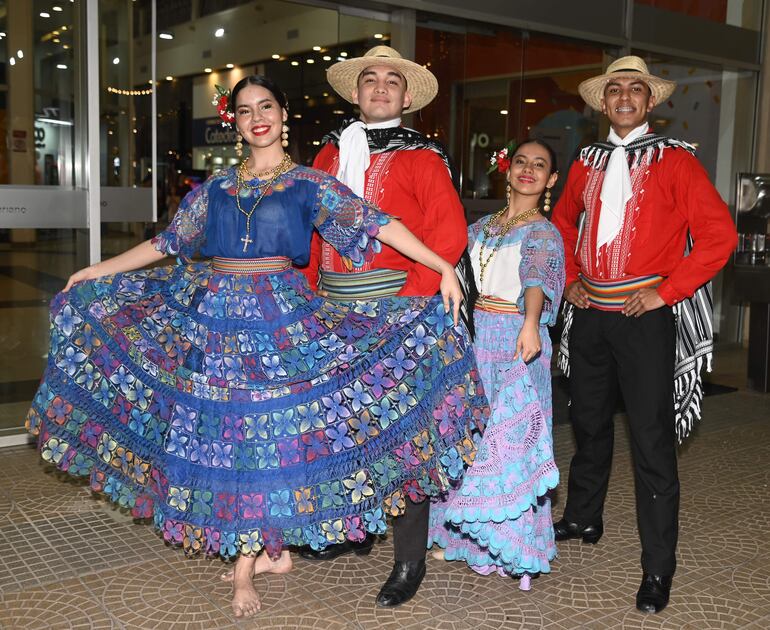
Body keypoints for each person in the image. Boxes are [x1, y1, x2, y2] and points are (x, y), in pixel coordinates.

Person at [25, 75, 489, 619]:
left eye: (266, 106)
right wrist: (98, 270)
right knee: (229, 436)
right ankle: (266, 554)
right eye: (245, 111)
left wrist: (441, 266)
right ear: (237, 123)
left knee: (267, 438)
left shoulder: (309, 183)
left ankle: (254, 560)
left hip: (278, 321)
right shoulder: (217, 189)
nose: (257, 118)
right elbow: (166, 242)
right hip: (215, 319)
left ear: (283, 115)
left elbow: (380, 224)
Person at [550, 56, 737, 614]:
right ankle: (583, 516)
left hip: (643, 317)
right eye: (615, 89)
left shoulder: (676, 162)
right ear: (603, 102)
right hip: (590, 314)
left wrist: (667, 291)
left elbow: (719, 235)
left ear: (650, 101)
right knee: (588, 422)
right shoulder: (586, 162)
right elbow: (562, 223)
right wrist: (570, 279)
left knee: (651, 440)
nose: (626, 97)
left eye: (636, 89)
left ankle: (658, 567)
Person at [297, 45, 468, 607]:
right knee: (343, 428)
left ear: (407, 96)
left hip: (397, 309)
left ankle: (409, 558)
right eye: (369, 79)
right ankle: (355, 529)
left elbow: (447, 235)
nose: (378, 87)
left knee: (403, 436)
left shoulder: (423, 156)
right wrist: (307, 297)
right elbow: (311, 231)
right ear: (355, 92)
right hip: (334, 311)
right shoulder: (329, 154)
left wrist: (409, 304)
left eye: (391, 81)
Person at [428, 139, 564, 589]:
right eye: (521, 162)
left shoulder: (543, 232)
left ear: (551, 179)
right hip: (475, 335)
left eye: (539, 165)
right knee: (471, 440)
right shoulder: (481, 226)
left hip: (515, 338)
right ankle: (467, 540)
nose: (528, 170)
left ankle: (512, 546)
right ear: (507, 170)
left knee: (510, 443)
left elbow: (536, 281)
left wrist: (531, 323)